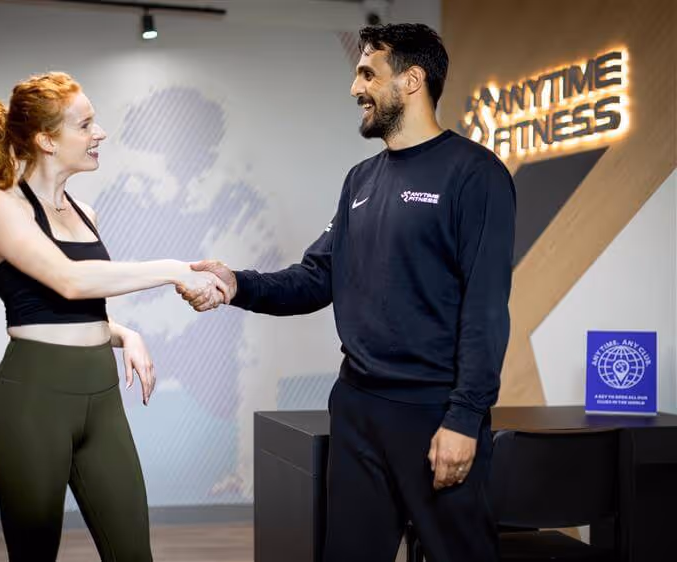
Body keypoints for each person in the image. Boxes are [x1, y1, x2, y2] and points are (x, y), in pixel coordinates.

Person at [179, 24, 516, 562]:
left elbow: (485, 310)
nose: (354, 88)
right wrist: (237, 284)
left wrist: (463, 418)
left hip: (434, 412)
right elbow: (316, 276)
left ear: (411, 80)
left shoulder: (475, 175)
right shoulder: (360, 181)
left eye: (367, 73)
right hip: (358, 409)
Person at [0, 71, 229, 562]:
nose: (98, 133)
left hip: (101, 399)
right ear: (46, 139)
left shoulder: (85, 211)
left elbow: (72, 313)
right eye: (85, 125)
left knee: (133, 554)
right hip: (33, 401)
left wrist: (125, 333)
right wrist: (173, 270)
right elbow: (69, 281)